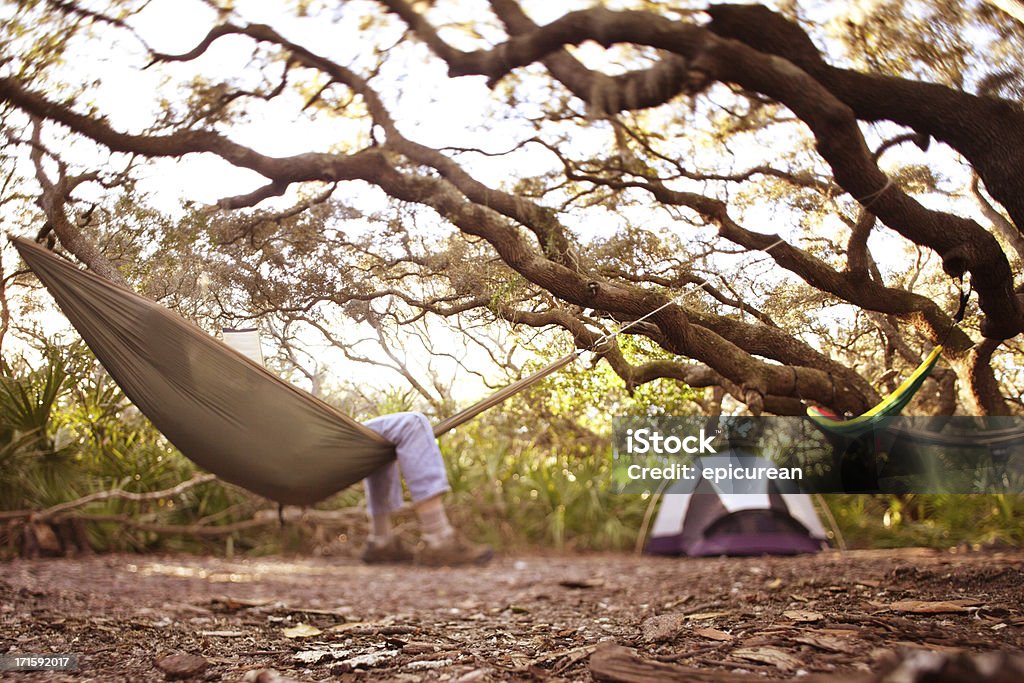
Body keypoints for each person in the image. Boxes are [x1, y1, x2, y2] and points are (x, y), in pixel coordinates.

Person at [360, 411, 493, 566]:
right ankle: (439, 539)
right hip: (328, 440)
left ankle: (381, 541)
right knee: (411, 424)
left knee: (375, 442)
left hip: (329, 445)